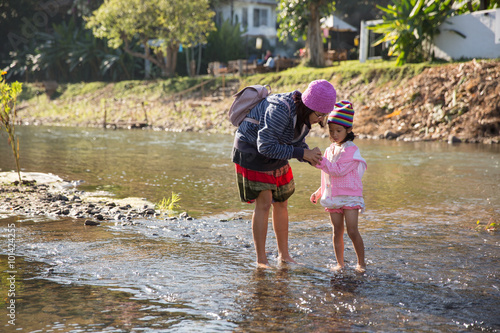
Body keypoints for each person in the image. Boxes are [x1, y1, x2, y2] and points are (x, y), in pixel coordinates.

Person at [232, 80, 337, 268]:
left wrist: (309, 157)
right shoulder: (280, 109)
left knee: (282, 201)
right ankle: (261, 260)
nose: (320, 120)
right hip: (251, 150)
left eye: (324, 116)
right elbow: (265, 146)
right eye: (320, 115)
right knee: (264, 202)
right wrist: (301, 153)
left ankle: (284, 255)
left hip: (275, 148)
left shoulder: (304, 115)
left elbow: (294, 141)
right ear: (308, 106)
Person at [310, 100, 367, 273]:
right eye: (331, 130)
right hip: (334, 196)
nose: (334, 134)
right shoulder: (330, 150)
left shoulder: (351, 150)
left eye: (339, 131)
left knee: (352, 230)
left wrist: (319, 160)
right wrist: (320, 191)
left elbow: (338, 170)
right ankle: (340, 264)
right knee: (337, 231)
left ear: (349, 130)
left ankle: (361, 263)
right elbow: (327, 175)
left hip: (349, 196)